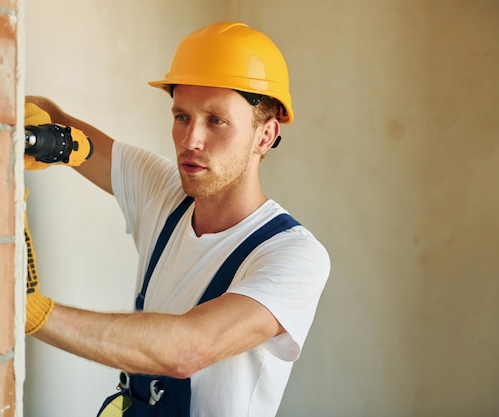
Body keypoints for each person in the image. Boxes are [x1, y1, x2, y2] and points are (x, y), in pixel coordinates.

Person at [24, 21, 330, 417]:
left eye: (216, 120)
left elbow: (188, 349)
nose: (190, 140)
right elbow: (51, 116)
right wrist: (30, 130)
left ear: (265, 136)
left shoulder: (294, 255)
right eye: (182, 116)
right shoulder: (163, 192)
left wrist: (30, 311)